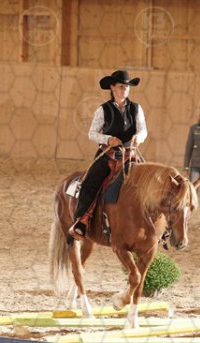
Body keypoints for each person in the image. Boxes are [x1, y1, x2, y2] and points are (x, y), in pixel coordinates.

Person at [69, 70, 148, 240]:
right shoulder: (103, 110)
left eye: (127, 87)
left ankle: (152, 224)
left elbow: (143, 130)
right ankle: (81, 221)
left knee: (148, 182)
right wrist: (108, 139)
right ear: (112, 88)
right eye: (121, 87)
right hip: (108, 155)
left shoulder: (136, 109)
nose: (124, 90)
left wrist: (138, 137)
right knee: (90, 182)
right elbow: (92, 133)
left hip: (130, 155)